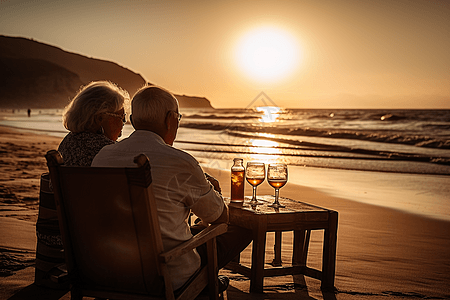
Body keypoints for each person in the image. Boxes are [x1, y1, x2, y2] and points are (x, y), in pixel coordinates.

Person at [92, 85, 252, 292]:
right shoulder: (180, 162)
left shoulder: (103, 157)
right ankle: (204, 285)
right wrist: (209, 194)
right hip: (165, 273)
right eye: (178, 118)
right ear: (170, 119)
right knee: (242, 229)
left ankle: (208, 283)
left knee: (185, 230)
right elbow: (220, 218)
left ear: (132, 122)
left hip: (110, 269)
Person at [58, 81, 129, 166]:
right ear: (99, 118)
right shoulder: (109, 152)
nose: (124, 122)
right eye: (121, 117)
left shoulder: (66, 144)